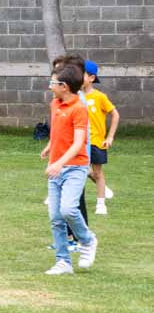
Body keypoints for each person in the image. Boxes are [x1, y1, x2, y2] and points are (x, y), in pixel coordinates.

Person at [40, 64, 98, 275]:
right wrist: (50, 147)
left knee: (68, 209)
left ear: (64, 86)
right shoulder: (55, 104)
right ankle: (63, 262)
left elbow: (78, 143)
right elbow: (58, 132)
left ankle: (88, 240)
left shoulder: (79, 108)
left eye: (53, 83)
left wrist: (59, 163)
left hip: (75, 168)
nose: (50, 86)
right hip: (56, 167)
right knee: (56, 217)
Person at [82, 60, 118, 215]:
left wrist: (110, 137)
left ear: (91, 78)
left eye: (80, 74)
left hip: (96, 141)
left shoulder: (100, 97)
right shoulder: (74, 96)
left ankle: (101, 204)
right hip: (80, 141)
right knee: (79, 170)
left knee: (97, 172)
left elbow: (115, 114)